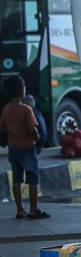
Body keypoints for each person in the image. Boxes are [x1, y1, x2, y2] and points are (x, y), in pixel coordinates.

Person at [0, 75, 50, 220]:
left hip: (13, 149)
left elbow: (3, 127)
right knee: (32, 179)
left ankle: (20, 210)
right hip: (27, 148)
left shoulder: (6, 110)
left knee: (17, 179)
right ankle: (34, 210)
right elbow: (33, 129)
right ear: (22, 91)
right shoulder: (26, 110)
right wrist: (38, 139)